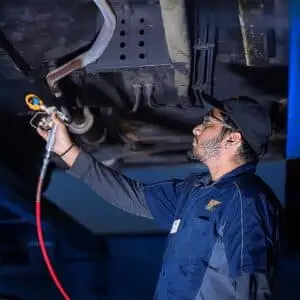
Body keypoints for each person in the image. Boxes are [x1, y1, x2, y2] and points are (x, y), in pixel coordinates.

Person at [37, 95, 282, 300]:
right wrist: (66, 150)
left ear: (233, 138)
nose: (197, 128)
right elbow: (131, 197)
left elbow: (252, 284)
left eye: (209, 122)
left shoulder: (246, 200)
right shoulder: (194, 190)